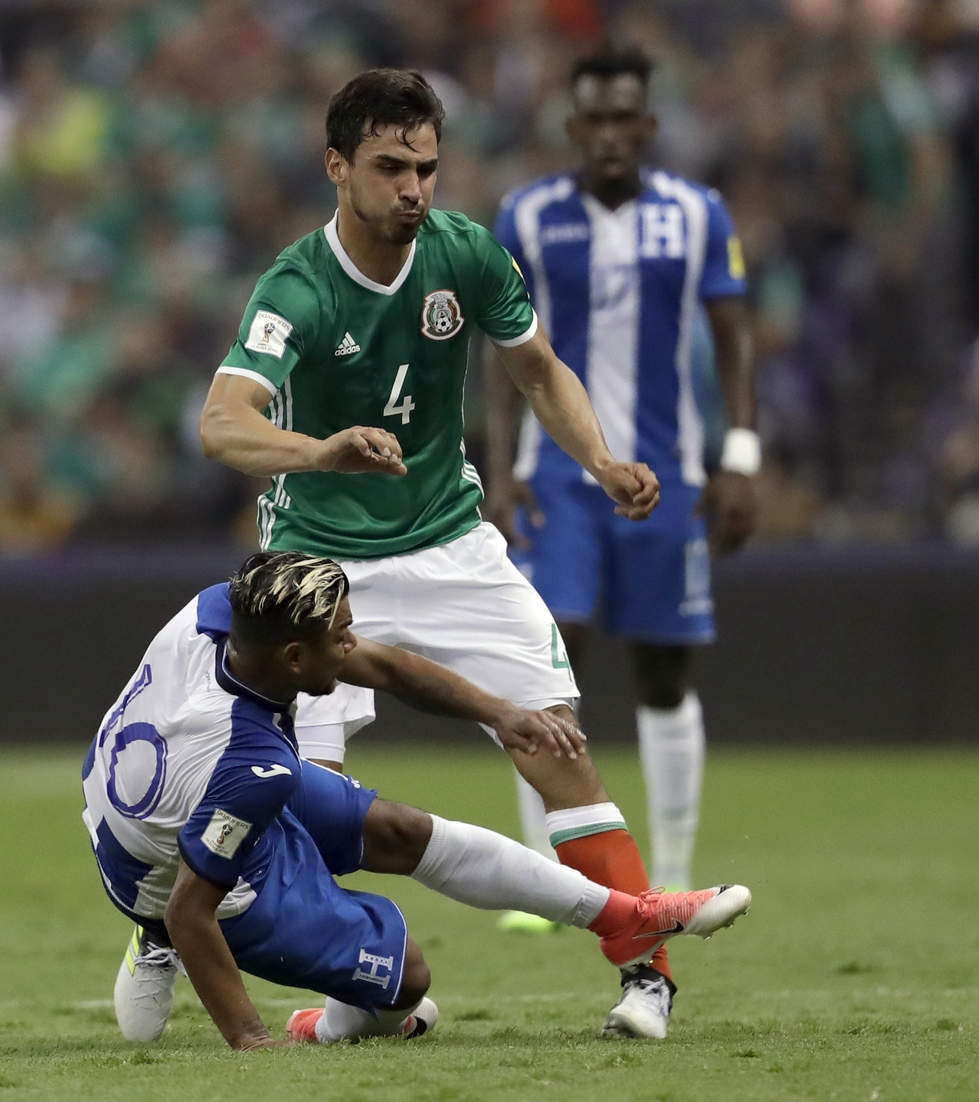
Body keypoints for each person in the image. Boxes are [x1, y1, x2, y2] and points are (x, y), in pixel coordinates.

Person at [194, 68, 687, 1040]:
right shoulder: (297, 286)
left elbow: (538, 370)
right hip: (319, 569)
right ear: (337, 167)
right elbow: (222, 423)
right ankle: (206, 937)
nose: (413, 188)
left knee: (555, 746)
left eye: (425, 167)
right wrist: (320, 452)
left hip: (453, 546)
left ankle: (648, 980)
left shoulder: (464, 254)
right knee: (305, 804)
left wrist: (599, 460)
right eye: (389, 167)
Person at [89, 551, 752, 1049]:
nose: (351, 647)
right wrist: (250, 1041)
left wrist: (502, 714)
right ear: (291, 658)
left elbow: (386, 667)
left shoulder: (220, 613)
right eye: (339, 637)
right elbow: (191, 908)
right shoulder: (252, 763)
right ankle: (166, 944)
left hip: (152, 802)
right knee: (407, 980)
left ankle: (628, 917)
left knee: (401, 830)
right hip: (165, 876)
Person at [484, 44, 758, 928]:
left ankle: (668, 872)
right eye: (594, 118)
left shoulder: (696, 213)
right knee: (542, 667)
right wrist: (498, 467)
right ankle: (543, 879)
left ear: (648, 124)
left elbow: (734, 333)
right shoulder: (526, 216)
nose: (609, 133)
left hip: (668, 474)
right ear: (573, 126)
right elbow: (500, 350)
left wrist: (741, 455)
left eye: (624, 118)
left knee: (664, 669)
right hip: (555, 478)